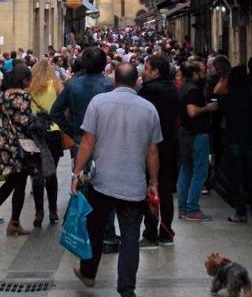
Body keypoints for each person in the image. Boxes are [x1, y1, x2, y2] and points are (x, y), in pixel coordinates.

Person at [71, 64, 163, 297]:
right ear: (137, 82)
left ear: (114, 81)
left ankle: (89, 273)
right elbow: (152, 151)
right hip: (133, 184)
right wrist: (154, 182)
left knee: (96, 229)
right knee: (131, 236)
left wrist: (76, 172)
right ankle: (127, 288)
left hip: (102, 182)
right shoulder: (149, 109)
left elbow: (88, 141)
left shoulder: (98, 103)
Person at [0, 66, 40, 235]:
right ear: (24, 80)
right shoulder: (24, 96)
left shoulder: (4, 95)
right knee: (17, 182)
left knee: (17, 181)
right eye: (29, 80)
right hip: (21, 145)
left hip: (6, 143)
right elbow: (25, 120)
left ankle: (13, 222)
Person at [138, 55, 180, 247]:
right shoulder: (173, 88)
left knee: (151, 188)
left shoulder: (148, 91)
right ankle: (166, 231)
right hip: (170, 146)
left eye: (146, 68)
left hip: (150, 148)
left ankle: (150, 232)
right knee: (165, 191)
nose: (143, 71)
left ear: (156, 71)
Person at [177, 62, 217, 222]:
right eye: (202, 72)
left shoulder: (183, 88)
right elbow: (192, 111)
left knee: (186, 169)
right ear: (194, 74)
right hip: (197, 134)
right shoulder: (194, 90)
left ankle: (183, 207)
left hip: (186, 133)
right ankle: (192, 208)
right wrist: (208, 108)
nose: (205, 74)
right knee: (199, 171)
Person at [51, 47, 112, 150]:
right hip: (103, 139)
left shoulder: (72, 85)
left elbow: (55, 112)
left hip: (79, 137)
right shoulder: (109, 86)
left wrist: (70, 129)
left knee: (79, 164)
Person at [28, 60, 64, 226]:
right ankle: (53, 210)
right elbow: (65, 107)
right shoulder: (56, 85)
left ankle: (38, 212)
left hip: (36, 135)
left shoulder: (29, 88)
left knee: (37, 173)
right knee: (52, 173)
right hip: (53, 132)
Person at [221, 66, 252, 222]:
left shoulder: (227, 98)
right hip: (250, 139)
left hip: (233, 140)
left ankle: (240, 211)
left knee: (237, 178)